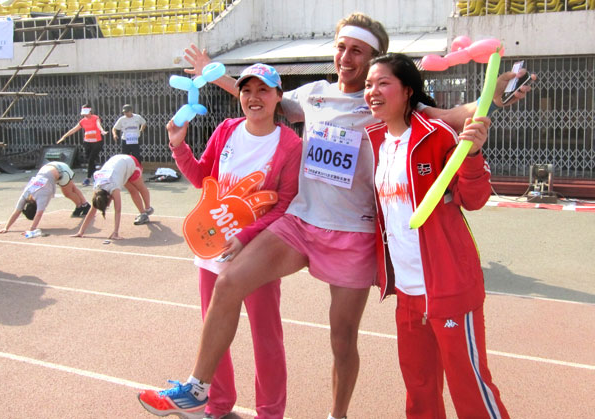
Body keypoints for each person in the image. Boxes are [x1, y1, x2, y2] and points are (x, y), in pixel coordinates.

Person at [146, 12, 534, 419]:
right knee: (227, 283)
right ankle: (197, 388)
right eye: (342, 48)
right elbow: (265, 97)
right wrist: (216, 74)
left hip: (352, 235)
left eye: (358, 51)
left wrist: (497, 91)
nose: (346, 58)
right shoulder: (313, 93)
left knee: (342, 339)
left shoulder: (383, 103)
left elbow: (454, 115)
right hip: (300, 224)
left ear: (374, 59)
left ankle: (337, 415)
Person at [137, 63, 302, 419]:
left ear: (278, 96)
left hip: (257, 252)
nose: (254, 98)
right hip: (212, 247)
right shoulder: (226, 130)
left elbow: (285, 205)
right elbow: (200, 177)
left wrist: (245, 237)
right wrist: (178, 145)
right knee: (215, 332)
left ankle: (271, 413)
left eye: (263, 90)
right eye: (247, 91)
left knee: (266, 337)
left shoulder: (290, 145)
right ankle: (217, 403)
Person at [364, 53, 509, 418]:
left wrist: (474, 152)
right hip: (408, 293)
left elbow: (473, 198)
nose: (373, 92)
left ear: (408, 90)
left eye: (383, 83)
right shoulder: (374, 141)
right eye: (369, 85)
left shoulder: (437, 135)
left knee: (468, 387)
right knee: (420, 389)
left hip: (448, 286)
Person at [0, 161, 90, 234]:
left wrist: (32, 230)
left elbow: (39, 214)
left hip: (62, 170)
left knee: (68, 193)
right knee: (72, 187)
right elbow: (17, 211)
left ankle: (81, 206)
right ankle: (85, 204)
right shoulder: (26, 195)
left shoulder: (42, 196)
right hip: (49, 167)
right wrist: (6, 227)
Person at [73, 154, 153, 240]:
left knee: (140, 186)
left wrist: (115, 233)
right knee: (132, 190)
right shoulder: (97, 189)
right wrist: (81, 231)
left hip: (129, 162)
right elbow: (92, 210)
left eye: (108, 204)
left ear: (108, 196)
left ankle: (147, 208)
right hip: (118, 167)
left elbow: (117, 210)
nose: (109, 204)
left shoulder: (114, 188)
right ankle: (143, 213)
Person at [57, 104, 108, 186]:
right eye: (84, 113)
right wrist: (64, 136)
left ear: (90, 111)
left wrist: (102, 131)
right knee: (90, 160)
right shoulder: (82, 121)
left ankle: (88, 178)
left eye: (86, 113)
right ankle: (96, 178)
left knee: (91, 159)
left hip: (97, 142)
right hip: (87, 143)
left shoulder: (95, 118)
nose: (85, 115)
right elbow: (74, 129)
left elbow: (99, 125)